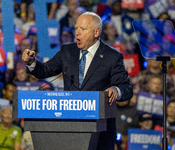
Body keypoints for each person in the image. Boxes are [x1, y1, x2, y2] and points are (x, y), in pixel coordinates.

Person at [22, 12, 133, 150]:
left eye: (83, 29)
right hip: (70, 127)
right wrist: (32, 62)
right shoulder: (67, 51)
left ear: (96, 32)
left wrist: (116, 90)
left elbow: (126, 88)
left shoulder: (112, 56)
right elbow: (45, 70)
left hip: (100, 131)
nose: (77, 33)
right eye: (76, 29)